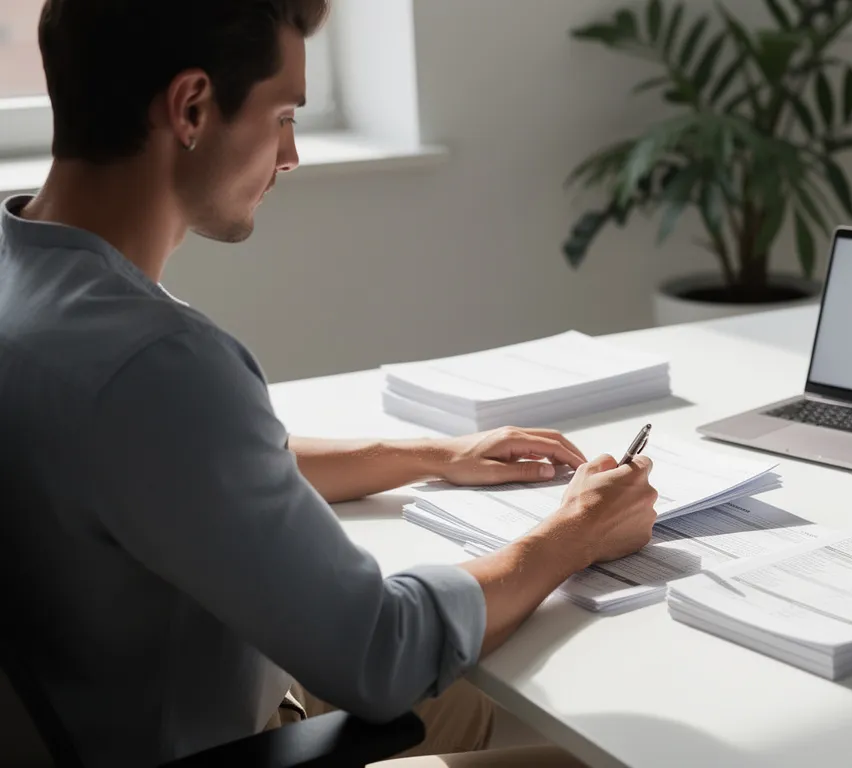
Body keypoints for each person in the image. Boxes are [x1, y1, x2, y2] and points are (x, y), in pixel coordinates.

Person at [0, 1, 658, 766]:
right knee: (606, 745)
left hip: (125, 709)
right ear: (191, 107)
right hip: (224, 741)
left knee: (520, 680)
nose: (290, 155)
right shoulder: (158, 363)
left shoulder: (31, 288)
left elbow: (182, 468)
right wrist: (571, 534)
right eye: (282, 115)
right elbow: (383, 653)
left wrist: (427, 455)